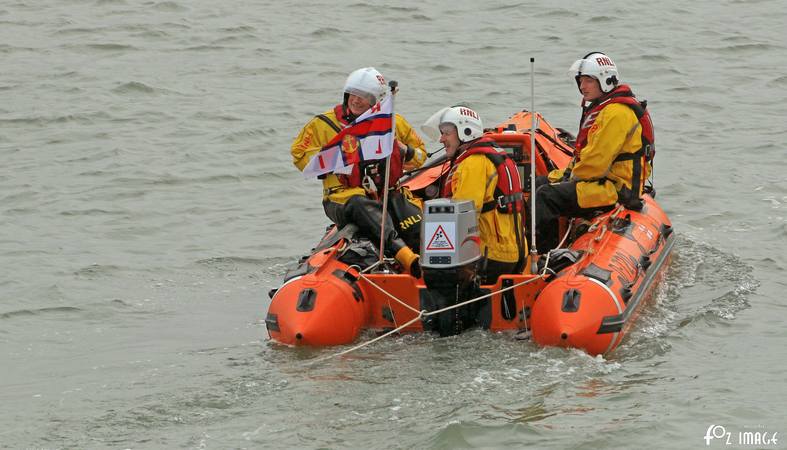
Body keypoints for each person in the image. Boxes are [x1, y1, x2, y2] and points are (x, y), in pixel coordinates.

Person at [290, 67, 427, 275]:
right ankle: (406, 257)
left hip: (388, 194)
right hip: (343, 198)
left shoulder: (392, 123)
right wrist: (335, 159)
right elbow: (299, 155)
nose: (356, 100)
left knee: (418, 226)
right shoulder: (323, 124)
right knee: (361, 205)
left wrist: (403, 150)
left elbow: (420, 156)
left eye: (364, 96)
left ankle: (438, 271)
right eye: (353, 94)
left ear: (376, 100)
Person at [534, 52, 655, 251]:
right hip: (605, 181)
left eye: (588, 80)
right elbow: (587, 156)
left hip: (616, 189)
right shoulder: (607, 109)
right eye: (580, 81)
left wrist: (568, 179)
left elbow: (595, 163)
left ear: (605, 80)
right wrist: (560, 177)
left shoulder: (616, 114)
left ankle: (542, 255)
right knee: (540, 183)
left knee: (546, 196)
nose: (582, 87)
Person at [422, 106, 526, 284]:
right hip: (515, 253)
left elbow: (462, 216)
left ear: (465, 131)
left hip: (491, 256)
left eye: (446, 133)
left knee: (434, 272)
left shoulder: (473, 163)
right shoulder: (495, 154)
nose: (441, 139)